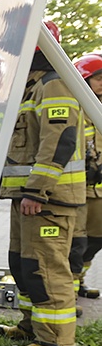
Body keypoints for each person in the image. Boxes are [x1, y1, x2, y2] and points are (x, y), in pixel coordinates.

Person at [0, 21, 85, 346]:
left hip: (47, 200)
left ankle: (56, 341)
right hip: (28, 199)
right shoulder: (31, 88)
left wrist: (37, 191)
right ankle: (32, 326)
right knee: (23, 264)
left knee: (46, 268)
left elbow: (57, 142)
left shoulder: (55, 84)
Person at [73, 53, 102, 299]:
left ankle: (79, 281)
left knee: (95, 242)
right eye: (98, 78)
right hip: (78, 189)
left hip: (99, 191)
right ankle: (68, 291)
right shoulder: (76, 109)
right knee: (76, 243)